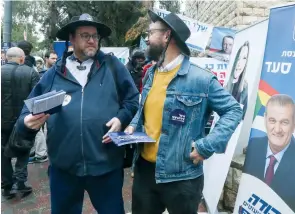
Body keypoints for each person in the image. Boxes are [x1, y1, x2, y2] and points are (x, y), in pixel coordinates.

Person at [15, 13, 139, 213]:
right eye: (85, 35)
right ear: (71, 39)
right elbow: (26, 113)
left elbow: (132, 100)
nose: (92, 40)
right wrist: (27, 123)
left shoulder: (112, 67)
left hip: (105, 166)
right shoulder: (54, 74)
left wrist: (120, 118)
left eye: (95, 36)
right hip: (64, 169)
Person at [126, 10, 242, 214]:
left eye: (151, 32)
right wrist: (133, 125)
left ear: (167, 36)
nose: (146, 38)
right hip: (145, 172)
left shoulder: (201, 79)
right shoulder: (150, 75)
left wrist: (206, 146)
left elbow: (233, 110)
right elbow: (144, 110)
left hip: (183, 177)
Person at [243, 94, 295, 214]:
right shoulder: (253, 147)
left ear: (294, 124)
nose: (277, 129)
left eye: (284, 122)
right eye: (272, 120)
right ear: (265, 119)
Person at [1, 47, 40, 199]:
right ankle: (20, 183)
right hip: (24, 120)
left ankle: (7, 185)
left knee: (3, 152)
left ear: (6, 57)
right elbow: (37, 98)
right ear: (22, 59)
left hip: (2, 121)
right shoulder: (31, 72)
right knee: (24, 149)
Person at [225, 41, 249, 119]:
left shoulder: (244, 86)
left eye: (244, 58)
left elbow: (243, 114)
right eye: (238, 58)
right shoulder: (226, 84)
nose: (239, 63)